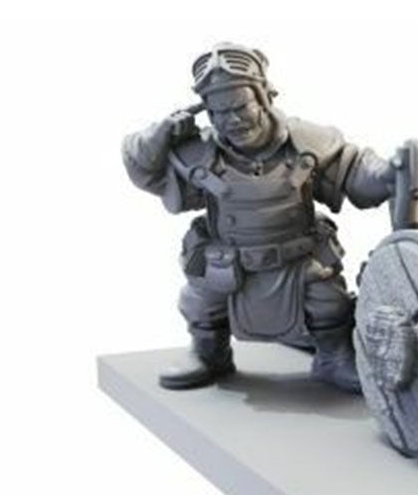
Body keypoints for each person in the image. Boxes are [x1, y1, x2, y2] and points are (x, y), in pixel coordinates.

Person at [123, 43, 399, 392]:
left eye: (241, 107)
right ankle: (210, 353)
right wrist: (161, 133)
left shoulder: (306, 142)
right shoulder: (200, 154)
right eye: (220, 112)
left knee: (328, 301)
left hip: (298, 259)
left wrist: (387, 174)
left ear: (264, 98)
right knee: (202, 301)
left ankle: (333, 356)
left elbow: (354, 168)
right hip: (228, 264)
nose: (233, 120)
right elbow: (143, 170)